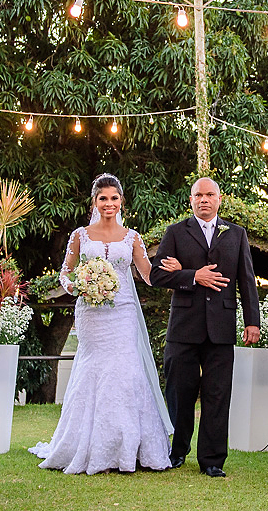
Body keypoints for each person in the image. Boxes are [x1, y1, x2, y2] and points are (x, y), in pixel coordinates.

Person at [29, 174, 173, 474]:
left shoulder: (132, 237)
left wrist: (172, 270)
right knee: (93, 372)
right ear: (94, 202)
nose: (109, 203)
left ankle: (128, 448)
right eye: (103, 198)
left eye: (114, 198)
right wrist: (76, 287)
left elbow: (147, 274)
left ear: (122, 201)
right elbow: (66, 272)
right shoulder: (80, 236)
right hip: (91, 313)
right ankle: (91, 447)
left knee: (125, 372)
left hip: (123, 314)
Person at [150, 177, 260, 478]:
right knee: (179, 392)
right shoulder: (175, 233)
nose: (204, 199)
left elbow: (246, 281)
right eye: (198, 195)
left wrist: (252, 321)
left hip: (221, 327)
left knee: (217, 395)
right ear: (190, 199)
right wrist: (192, 275)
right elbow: (158, 276)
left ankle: (212, 460)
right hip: (184, 327)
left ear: (219, 199)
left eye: (209, 194)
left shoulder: (236, 234)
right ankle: (176, 451)